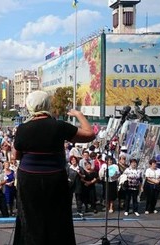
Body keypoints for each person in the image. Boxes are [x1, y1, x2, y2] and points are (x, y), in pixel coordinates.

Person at [12, 90, 95, 245]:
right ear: (47, 105)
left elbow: (15, 156)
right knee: (58, 217)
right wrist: (79, 115)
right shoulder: (59, 126)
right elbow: (90, 134)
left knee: (30, 217)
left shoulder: (23, 128)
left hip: (29, 179)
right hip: (54, 177)